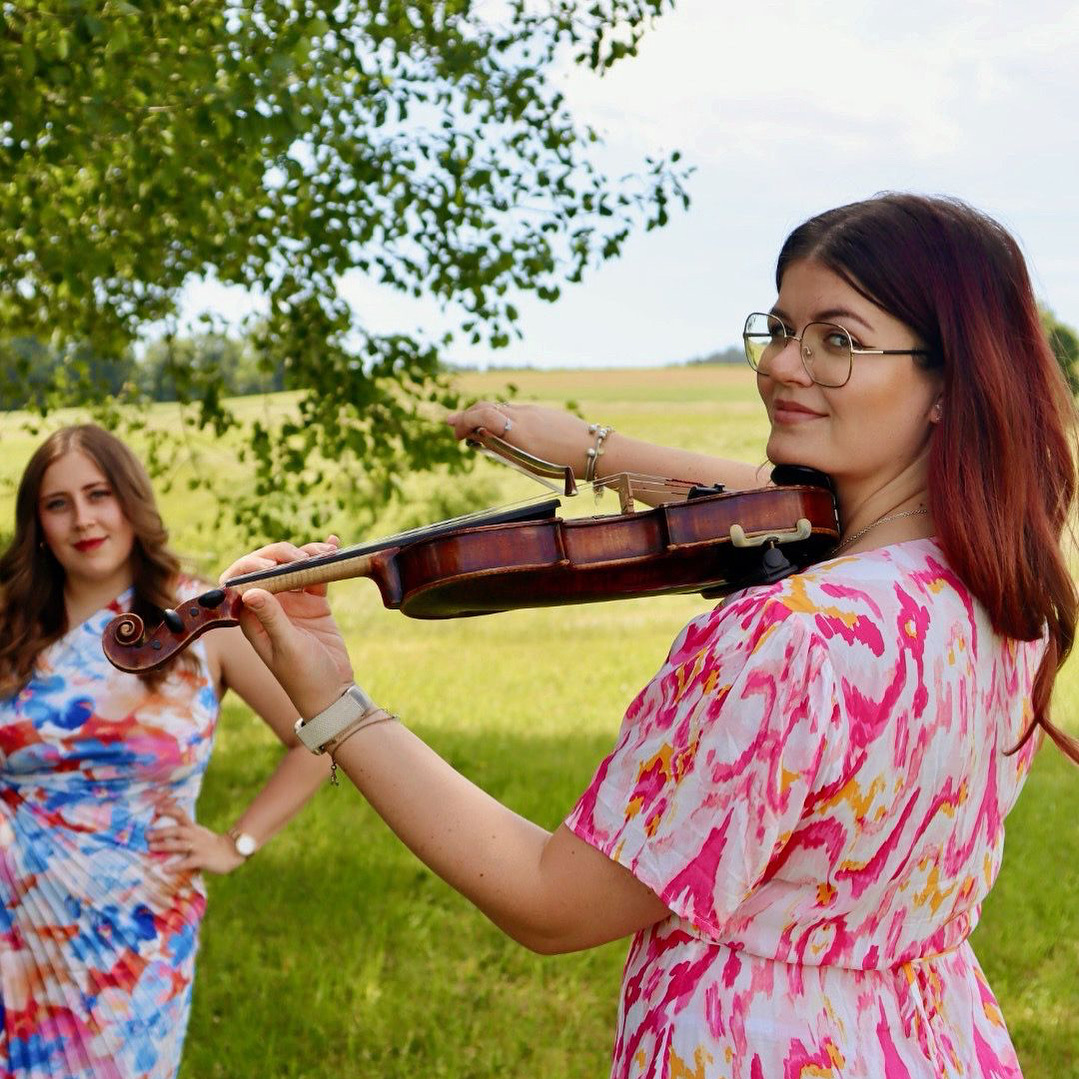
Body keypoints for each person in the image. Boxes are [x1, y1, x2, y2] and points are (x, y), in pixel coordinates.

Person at [222, 193, 1076, 1078]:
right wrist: (592, 451)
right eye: (779, 327)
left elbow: (553, 902)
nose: (784, 364)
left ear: (946, 384)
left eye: (838, 340)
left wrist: (333, 697)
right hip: (928, 1040)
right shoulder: (1001, 598)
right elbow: (771, 503)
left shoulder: (786, 641)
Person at [0, 425, 333, 1079]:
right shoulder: (12, 625)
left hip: (138, 929)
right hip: (12, 917)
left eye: (99, 494)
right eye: (58, 502)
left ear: (131, 501)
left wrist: (236, 843)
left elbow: (322, 737)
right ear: (37, 522)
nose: (84, 518)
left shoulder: (200, 619)